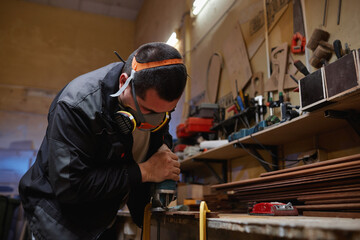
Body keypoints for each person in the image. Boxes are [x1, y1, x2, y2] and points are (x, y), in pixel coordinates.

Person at [19, 42, 187, 240]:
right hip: (59, 221)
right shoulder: (76, 106)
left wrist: (163, 150)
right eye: (148, 112)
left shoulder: (154, 109)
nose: (154, 122)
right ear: (124, 82)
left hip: (102, 218)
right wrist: (146, 171)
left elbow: (159, 132)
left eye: (165, 113)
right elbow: (70, 186)